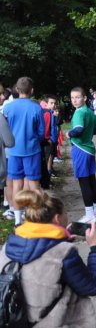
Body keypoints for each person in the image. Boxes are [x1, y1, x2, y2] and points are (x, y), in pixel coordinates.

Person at [0, 190, 96, 328]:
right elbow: (93, 286)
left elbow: (39, 247)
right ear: (57, 218)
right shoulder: (63, 254)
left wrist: (62, 237)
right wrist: (95, 249)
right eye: (66, 214)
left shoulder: (8, 247)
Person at [3, 77, 45, 226]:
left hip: (14, 151)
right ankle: (38, 216)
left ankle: (17, 220)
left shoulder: (8, 108)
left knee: (16, 185)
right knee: (34, 185)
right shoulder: (36, 108)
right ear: (32, 90)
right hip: (32, 150)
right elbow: (41, 132)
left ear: (17, 90)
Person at [67, 87, 96, 223]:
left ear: (84, 98)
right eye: (72, 98)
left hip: (80, 149)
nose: (74, 100)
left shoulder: (79, 113)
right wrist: (89, 133)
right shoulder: (89, 112)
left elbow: (78, 129)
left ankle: (89, 215)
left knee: (84, 182)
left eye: (77, 97)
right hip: (89, 150)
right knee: (92, 181)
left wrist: (68, 134)